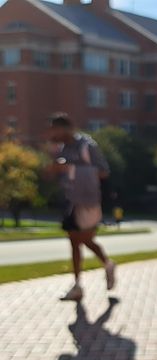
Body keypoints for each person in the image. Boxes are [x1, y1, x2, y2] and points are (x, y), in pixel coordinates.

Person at [46, 113, 116, 301]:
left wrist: (71, 168)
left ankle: (107, 264)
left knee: (83, 239)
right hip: (71, 200)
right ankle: (78, 284)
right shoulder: (61, 149)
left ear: (66, 128)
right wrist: (56, 166)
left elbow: (103, 172)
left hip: (89, 200)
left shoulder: (87, 146)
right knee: (74, 241)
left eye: (55, 129)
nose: (53, 133)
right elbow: (54, 176)